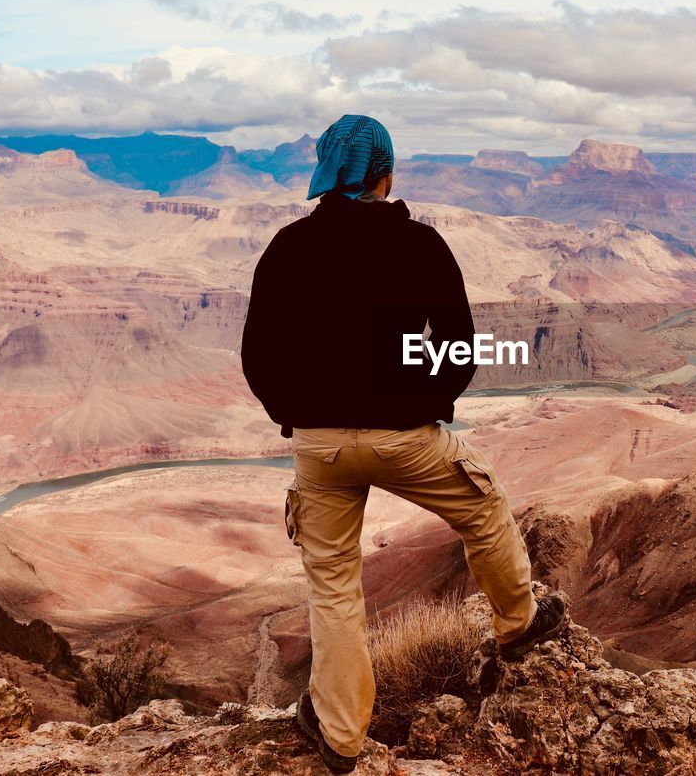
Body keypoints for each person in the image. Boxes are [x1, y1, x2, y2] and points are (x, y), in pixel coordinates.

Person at [241, 114, 565, 773]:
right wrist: (425, 405)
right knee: (481, 505)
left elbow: (258, 356)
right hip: (404, 434)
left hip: (320, 445)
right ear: (385, 174)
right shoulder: (421, 246)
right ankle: (518, 622)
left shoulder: (287, 248)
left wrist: (294, 417)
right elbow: (458, 349)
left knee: (333, 585)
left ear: (328, 177)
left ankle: (338, 732)